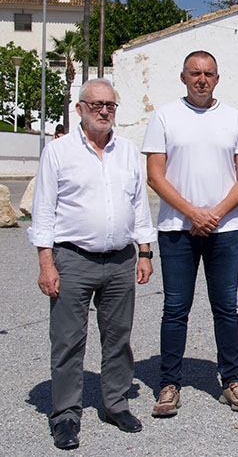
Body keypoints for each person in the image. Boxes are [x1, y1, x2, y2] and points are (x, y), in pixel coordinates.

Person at [28, 79, 156, 449]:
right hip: (73, 259)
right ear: (80, 108)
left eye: (110, 105)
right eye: (96, 104)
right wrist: (46, 263)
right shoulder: (59, 152)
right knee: (68, 341)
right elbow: (44, 211)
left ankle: (115, 404)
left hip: (120, 260)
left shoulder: (128, 151)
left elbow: (139, 206)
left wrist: (145, 252)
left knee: (118, 338)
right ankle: (66, 414)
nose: (104, 111)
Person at [142, 50, 238, 416]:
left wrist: (215, 215)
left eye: (208, 74)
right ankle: (169, 383)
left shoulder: (235, 118)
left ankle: (231, 380)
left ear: (217, 78)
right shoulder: (164, 116)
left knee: (226, 308)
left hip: (225, 230)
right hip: (177, 228)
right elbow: (155, 175)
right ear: (183, 77)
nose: (202, 80)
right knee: (175, 308)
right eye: (195, 73)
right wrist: (193, 213)